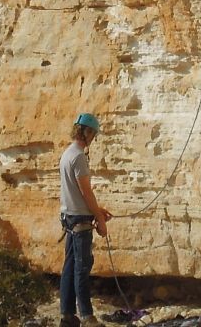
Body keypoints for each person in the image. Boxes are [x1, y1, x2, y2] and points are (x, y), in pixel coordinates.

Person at [59, 113, 113, 327]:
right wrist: (99, 218)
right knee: (82, 268)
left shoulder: (67, 154)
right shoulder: (79, 157)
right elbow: (86, 191)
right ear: (87, 132)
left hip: (69, 216)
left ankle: (67, 315)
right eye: (93, 135)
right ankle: (87, 317)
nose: (93, 139)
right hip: (79, 220)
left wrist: (97, 210)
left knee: (69, 266)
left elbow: (75, 192)